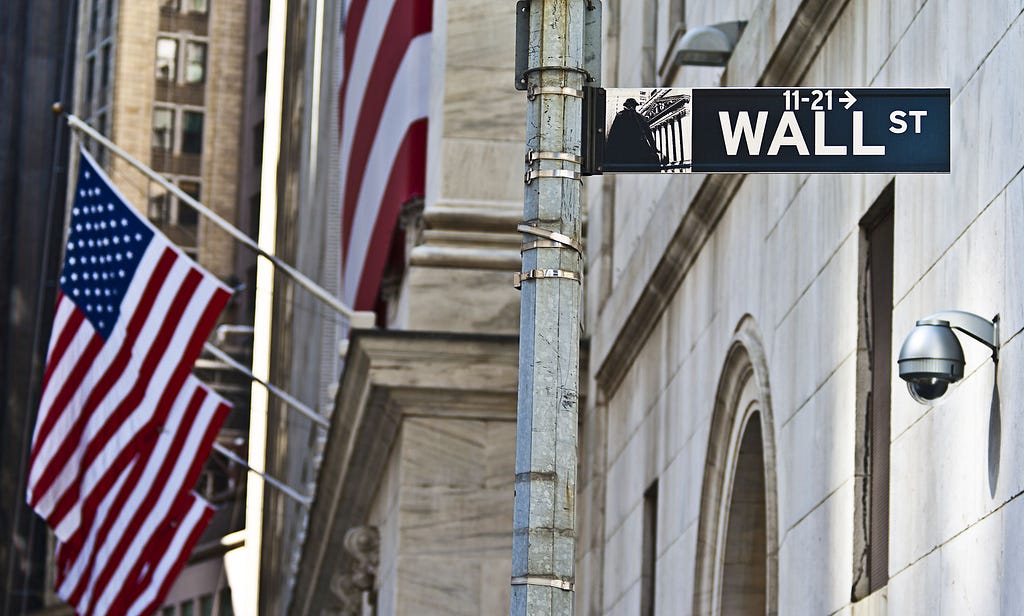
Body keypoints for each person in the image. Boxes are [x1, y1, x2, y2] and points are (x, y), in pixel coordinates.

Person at [605, 98, 662, 169]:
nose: (633, 107)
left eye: (633, 106)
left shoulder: (622, 116)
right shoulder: (639, 117)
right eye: (633, 106)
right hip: (635, 148)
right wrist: (653, 148)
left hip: (626, 149)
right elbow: (649, 135)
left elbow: (613, 135)